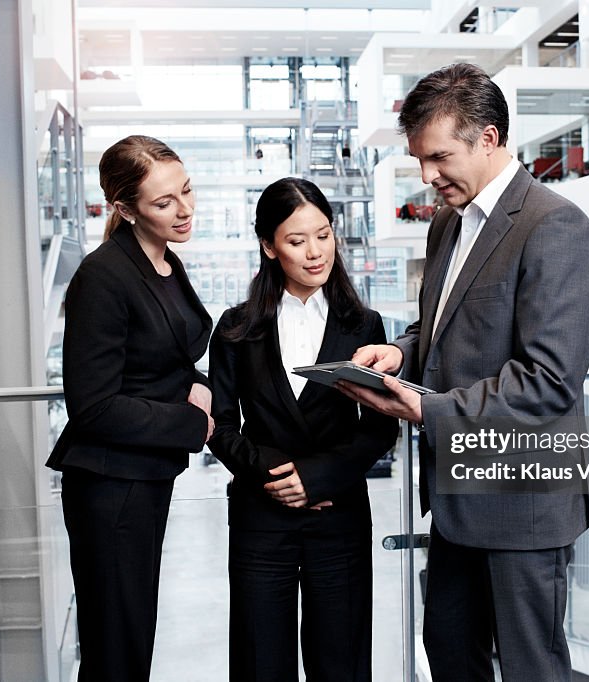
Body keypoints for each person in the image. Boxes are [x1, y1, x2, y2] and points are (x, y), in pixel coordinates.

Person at [340, 63, 589, 681]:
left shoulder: (555, 227)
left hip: (522, 502)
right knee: (452, 655)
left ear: (488, 138)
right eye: (420, 160)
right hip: (458, 495)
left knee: (529, 667)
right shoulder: (447, 224)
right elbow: (449, 323)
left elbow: (549, 379)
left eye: (439, 157)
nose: (428, 176)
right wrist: (403, 351)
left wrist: (428, 409)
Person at [208, 177, 398, 682]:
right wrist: (275, 477)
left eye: (324, 234)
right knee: (259, 663)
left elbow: (379, 430)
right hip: (260, 519)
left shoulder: (365, 325)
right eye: (297, 241)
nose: (315, 253)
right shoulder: (235, 327)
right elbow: (221, 426)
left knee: (341, 664)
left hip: (338, 517)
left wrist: (314, 478)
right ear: (269, 246)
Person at [45, 135, 213, 682]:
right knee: (117, 643)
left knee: (132, 633)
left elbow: (165, 354)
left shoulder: (164, 261)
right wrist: (194, 422)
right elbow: (93, 406)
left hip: (143, 476)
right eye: (164, 203)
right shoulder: (103, 275)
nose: (183, 209)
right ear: (124, 208)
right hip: (110, 484)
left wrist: (200, 383)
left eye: (186, 191)